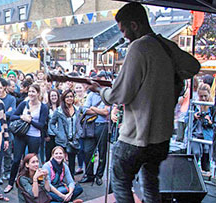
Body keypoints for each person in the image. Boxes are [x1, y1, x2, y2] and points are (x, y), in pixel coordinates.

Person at [87, 3, 200, 202]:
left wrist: (101, 91)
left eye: (124, 30)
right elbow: (193, 66)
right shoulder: (165, 46)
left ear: (134, 25)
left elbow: (120, 95)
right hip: (162, 137)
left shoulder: (138, 47)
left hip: (136, 137)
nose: (124, 37)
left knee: (121, 181)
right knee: (151, 183)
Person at [4, 84, 48, 194]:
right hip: (21, 135)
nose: (31, 94)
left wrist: (30, 121)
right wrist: (21, 117)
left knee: (32, 162)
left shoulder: (43, 107)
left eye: (33, 92)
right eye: (30, 91)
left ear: (38, 93)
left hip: (34, 136)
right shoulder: (24, 104)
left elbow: (41, 125)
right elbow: (13, 116)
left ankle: (32, 183)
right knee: (16, 160)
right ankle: (10, 183)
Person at [79, 73, 110, 186]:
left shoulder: (108, 95)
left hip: (103, 126)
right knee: (89, 152)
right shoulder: (91, 95)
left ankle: (99, 175)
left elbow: (106, 112)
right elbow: (85, 110)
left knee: (102, 153)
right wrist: (97, 110)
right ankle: (89, 174)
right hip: (90, 126)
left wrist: (93, 108)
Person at [48, 89, 80, 175]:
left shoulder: (77, 110)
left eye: (71, 96)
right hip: (62, 140)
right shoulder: (59, 110)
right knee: (58, 161)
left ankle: (71, 180)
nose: (69, 98)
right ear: (64, 98)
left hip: (73, 140)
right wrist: (58, 133)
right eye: (67, 97)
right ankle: (58, 179)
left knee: (72, 162)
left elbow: (80, 123)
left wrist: (79, 133)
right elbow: (52, 124)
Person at [190, 83, 213, 172]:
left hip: (207, 135)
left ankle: (205, 173)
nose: (203, 98)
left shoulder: (212, 107)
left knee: (206, 154)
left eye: (205, 96)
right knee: (196, 153)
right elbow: (186, 119)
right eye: (201, 96)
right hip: (195, 134)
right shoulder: (194, 105)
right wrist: (194, 117)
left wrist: (210, 122)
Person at [45, 89, 60, 161]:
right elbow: (44, 122)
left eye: (55, 95)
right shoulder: (46, 107)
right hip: (50, 134)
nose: (53, 97)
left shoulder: (61, 107)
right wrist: (46, 135)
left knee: (59, 154)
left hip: (60, 135)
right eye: (52, 96)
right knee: (49, 154)